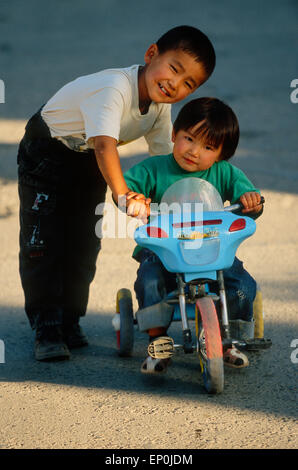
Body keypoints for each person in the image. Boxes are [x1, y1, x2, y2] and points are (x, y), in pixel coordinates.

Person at [17, 26, 216, 361]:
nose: (175, 85)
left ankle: (69, 319)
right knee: (44, 241)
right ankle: (47, 325)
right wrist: (124, 195)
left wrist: (191, 197)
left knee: (83, 241)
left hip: (88, 160)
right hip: (48, 152)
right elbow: (105, 145)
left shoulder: (158, 107)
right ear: (151, 53)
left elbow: (163, 161)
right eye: (174, 68)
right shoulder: (114, 89)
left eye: (188, 84)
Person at [123, 97, 264, 374]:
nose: (194, 151)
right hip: (165, 250)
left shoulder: (224, 173)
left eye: (208, 147)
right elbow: (126, 185)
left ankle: (228, 338)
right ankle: (158, 340)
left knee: (242, 285)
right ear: (174, 134)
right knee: (150, 280)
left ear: (222, 154)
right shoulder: (154, 168)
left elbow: (248, 200)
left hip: (211, 247)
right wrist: (133, 198)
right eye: (189, 139)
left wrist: (250, 201)